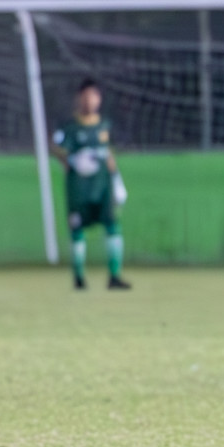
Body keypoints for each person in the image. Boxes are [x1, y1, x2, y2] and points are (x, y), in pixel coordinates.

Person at [51, 78, 131, 291]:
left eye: (93, 96)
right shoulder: (70, 127)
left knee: (113, 226)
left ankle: (114, 276)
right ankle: (78, 278)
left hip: (103, 187)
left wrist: (117, 182)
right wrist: (69, 160)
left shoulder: (106, 126)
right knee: (77, 231)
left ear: (99, 99)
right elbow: (56, 147)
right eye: (86, 96)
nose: (90, 101)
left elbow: (110, 156)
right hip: (78, 189)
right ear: (79, 99)